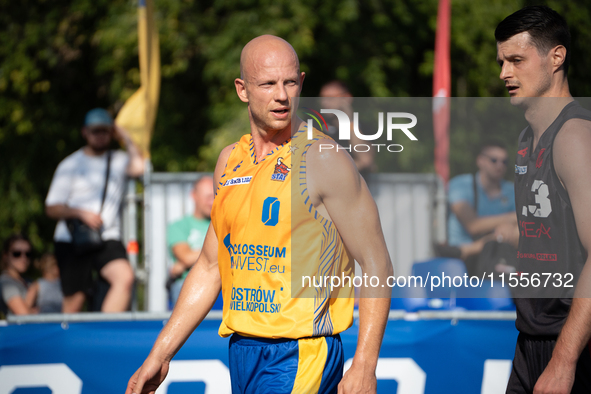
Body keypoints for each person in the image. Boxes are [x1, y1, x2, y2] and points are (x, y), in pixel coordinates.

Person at [126, 35, 392, 394]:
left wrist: (364, 364)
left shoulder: (324, 158)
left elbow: (376, 263)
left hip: (302, 351)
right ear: (242, 89)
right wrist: (159, 354)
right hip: (243, 350)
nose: (282, 95)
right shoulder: (229, 160)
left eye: (290, 82)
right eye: (267, 84)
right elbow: (208, 266)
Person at [496, 6, 591, 393]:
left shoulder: (574, 136)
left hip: (574, 344)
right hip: (532, 341)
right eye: (501, 61)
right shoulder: (526, 139)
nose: (504, 73)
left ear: (556, 56)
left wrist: (564, 361)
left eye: (516, 60)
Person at [45, 108, 144, 313]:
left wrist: (123, 134)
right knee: (75, 299)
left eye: (105, 131)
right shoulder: (70, 164)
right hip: (73, 238)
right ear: (85, 132)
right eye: (95, 131)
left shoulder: (118, 159)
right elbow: (52, 208)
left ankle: (105, 334)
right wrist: (81, 213)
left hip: (106, 235)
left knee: (124, 278)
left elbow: (140, 166)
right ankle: (68, 342)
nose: (100, 136)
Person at [445, 141, 518, 266]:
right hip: (461, 261)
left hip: (496, 255)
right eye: (494, 160)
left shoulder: (512, 190)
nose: (500, 165)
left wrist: (508, 227)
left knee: (520, 231)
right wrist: (512, 218)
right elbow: (473, 226)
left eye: (504, 162)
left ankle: (469, 250)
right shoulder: (460, 184)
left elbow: (525, 223)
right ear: (480, 161)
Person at [167, 176, 214, 306]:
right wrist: (221, 249)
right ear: (194, 195)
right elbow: (186, 257)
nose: (212, 202)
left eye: (215, 196)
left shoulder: (223, 224)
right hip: (190, 283)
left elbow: (187, 260)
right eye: (208, 197)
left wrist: (187, 262)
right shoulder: (178, 226)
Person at [319, 80, 376, 179]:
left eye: (330, 98)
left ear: (347, 98)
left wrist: (350, 122)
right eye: (322, 98)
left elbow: (365, 159)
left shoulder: (364, 126)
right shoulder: (316, 128)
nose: (325, 102)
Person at [0, 234, 36, 317]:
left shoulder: (29, 281)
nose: (23, 258)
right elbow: (24, 316)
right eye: (17, 253)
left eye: (28, 254)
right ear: (5, 256)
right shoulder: (5, 282)